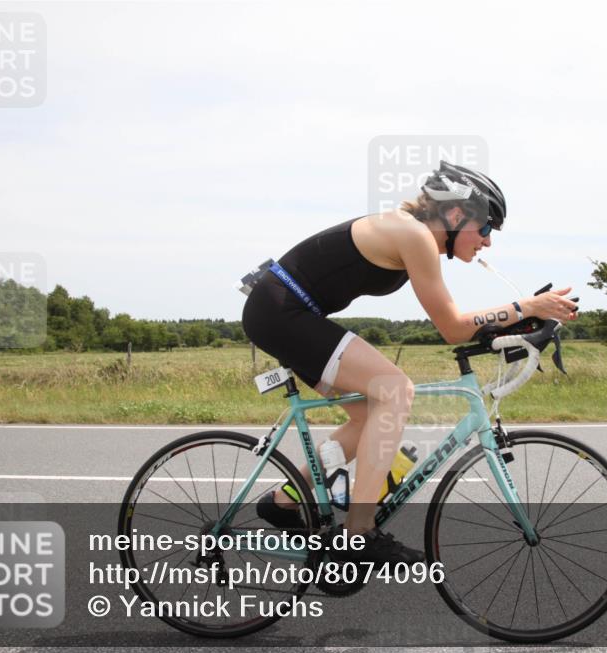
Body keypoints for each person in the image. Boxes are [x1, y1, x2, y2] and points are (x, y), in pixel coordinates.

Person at [241, 161, 579, 564]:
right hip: (283, 312)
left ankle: (282, 502)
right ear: (456, 214)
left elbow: (461, 323)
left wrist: (519, 319)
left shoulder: (413, 233)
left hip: (287, 312)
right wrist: (527, 305)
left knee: (368, 416)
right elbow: (453, 327)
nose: (488, 242)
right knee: (396, 390)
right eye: (486, 228)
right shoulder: (414, 234)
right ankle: (360, 533)